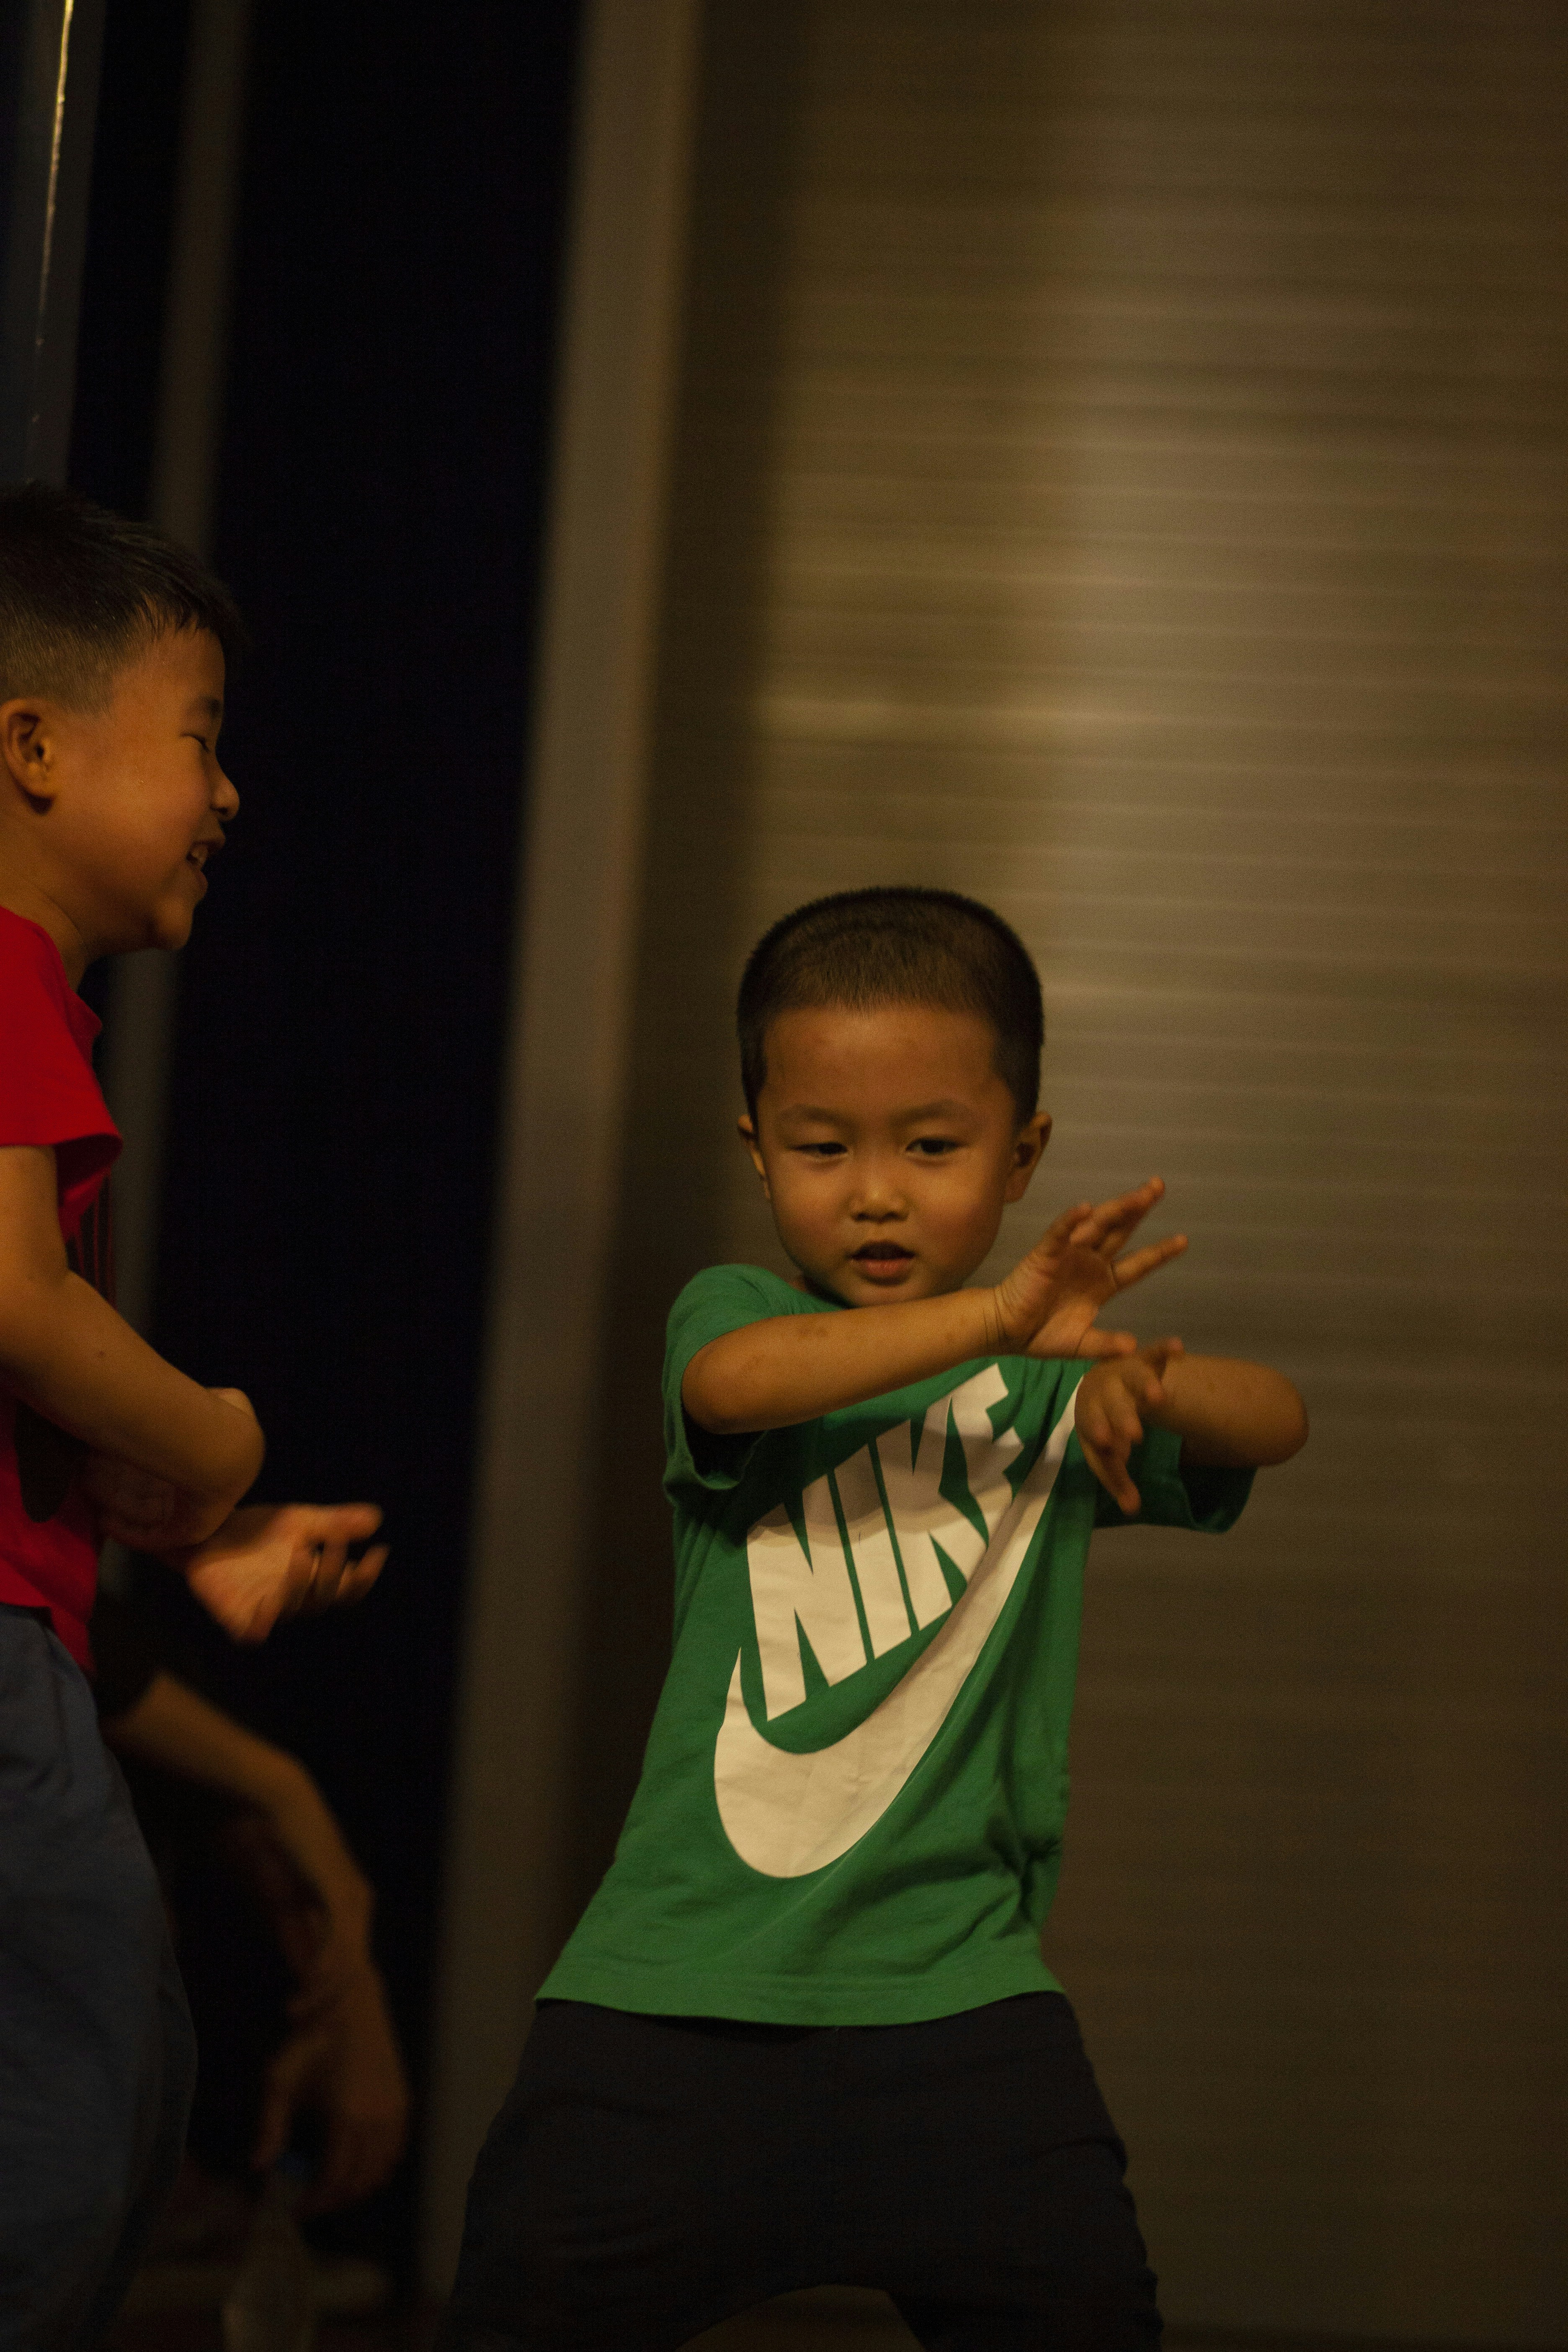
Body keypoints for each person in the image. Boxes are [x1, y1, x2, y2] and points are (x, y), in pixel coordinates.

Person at [441, 886, 1309, 2351]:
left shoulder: (1052, 1387)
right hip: (670, 2006)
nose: (877, 1192)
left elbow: (1275, 1419)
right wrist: (1002, 1326)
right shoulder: (733, 1314)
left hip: (959, 2012)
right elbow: (734, 1391)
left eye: (932, 1145)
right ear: (757, 1148)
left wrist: (1125, 1372)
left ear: (1024, 1152)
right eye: (822, 1147)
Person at [0, 482, 388, 2352]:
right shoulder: (2, 978)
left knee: (123, 2069)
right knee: (77, 2107)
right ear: (33, 746)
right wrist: (221, 1442)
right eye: (203, 741)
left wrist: (185, 1530)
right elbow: (13, 1303)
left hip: (41, 1617)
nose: (229, 796)